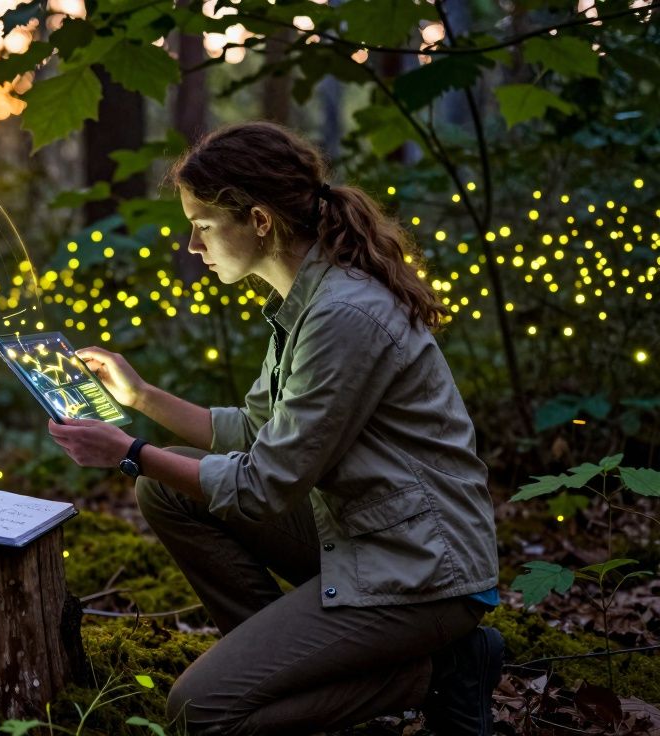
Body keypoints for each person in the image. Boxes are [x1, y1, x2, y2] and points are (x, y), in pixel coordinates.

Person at [46, 121, 503, 735]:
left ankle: (440, 672)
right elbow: (257, 428)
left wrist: (130, 452)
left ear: (259, 220)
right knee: (166, 489)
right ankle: (299, 669)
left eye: (204, 225)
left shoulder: (343, 313)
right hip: (365, 533)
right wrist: (141, 397)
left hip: (424, 572)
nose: (193, 244)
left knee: (200, 711)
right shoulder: (308, 301)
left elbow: (264, 486)